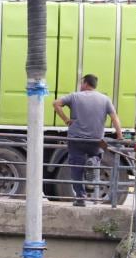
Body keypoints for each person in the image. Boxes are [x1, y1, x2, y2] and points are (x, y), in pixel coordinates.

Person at [53, 74, 123, 206]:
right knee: (98, 153)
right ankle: (94, 160)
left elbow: (56, 104)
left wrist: (66, 120)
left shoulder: (74, 96)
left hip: (76, 139)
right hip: (95, 139)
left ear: (85, 83)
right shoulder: (105, 99)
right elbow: (114, 118)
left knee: (76, 169)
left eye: (81, 83)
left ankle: (80, 198)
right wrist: (119, 135)